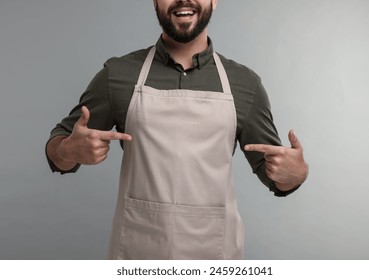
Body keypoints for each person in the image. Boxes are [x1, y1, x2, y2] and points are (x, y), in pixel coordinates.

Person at [46, 0, 308, 260]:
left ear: (214, 1)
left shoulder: (245, 85)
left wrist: (296, 173)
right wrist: (68, 149)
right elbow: (57, 152)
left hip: (215, 254)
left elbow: (277, 177)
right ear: (155, 2)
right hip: (138, 254)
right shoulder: (118, 75)